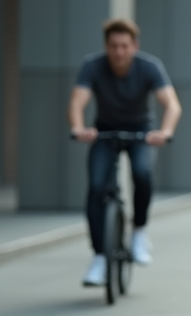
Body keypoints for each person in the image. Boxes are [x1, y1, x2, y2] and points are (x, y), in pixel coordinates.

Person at [68, 19, 181, 287]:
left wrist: (164, 132)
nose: (119, 52)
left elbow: (172, 105)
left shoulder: (149, 66)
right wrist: (78, 127)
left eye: (124, 46)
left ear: (134, 46)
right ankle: (99, 257)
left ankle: (139, 231)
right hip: (104, 131)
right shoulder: (92, 66)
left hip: (141, 132)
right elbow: (76, 102)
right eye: (113, 46)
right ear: (106, 46)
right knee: (97, 187)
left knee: (142, 173)